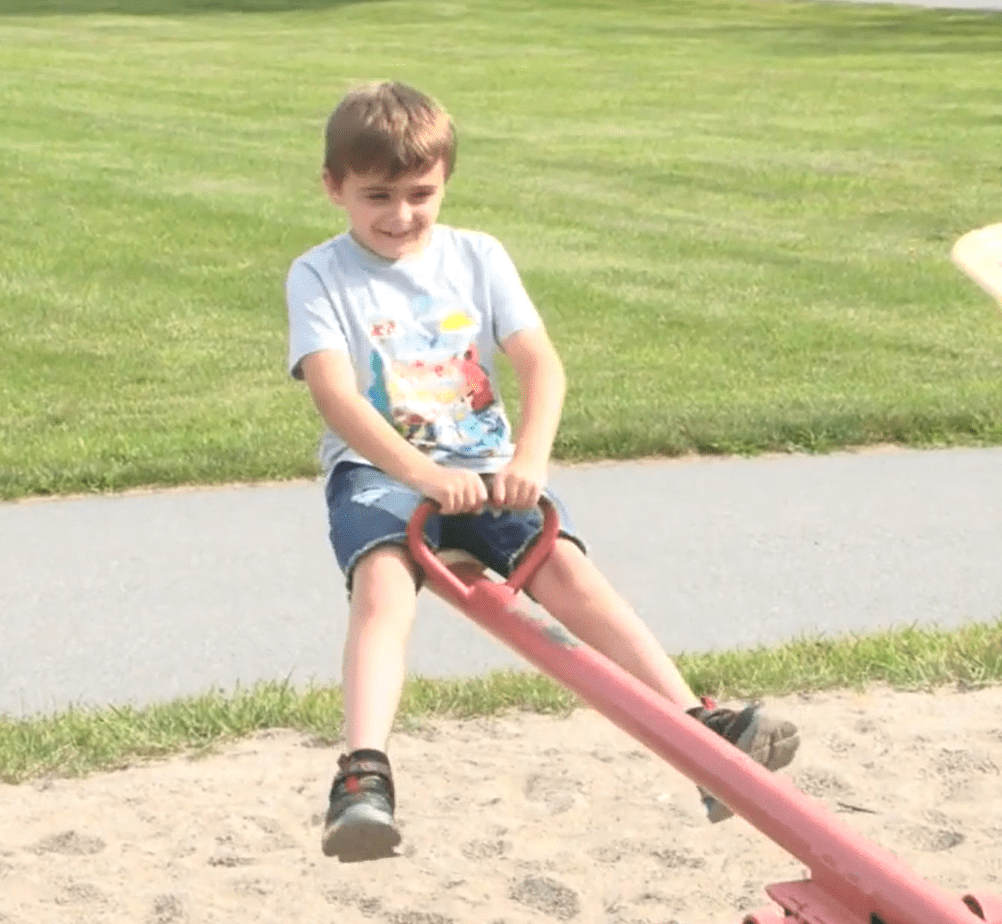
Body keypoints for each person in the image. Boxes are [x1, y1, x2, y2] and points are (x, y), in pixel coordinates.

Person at [284, 81, 801, 862]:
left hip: (488, 470)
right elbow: (334, 392)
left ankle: (699, 731)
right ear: (335, 189)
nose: (400, 215)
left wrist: (529, 459)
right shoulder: (320, 275)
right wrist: (421, 473)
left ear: (446, 181)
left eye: (420, 194)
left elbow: (541, 364)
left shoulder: (476, 255)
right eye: (377, 196)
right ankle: (362, 776)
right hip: (383, 470)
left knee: (570, 575)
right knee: (383, 590)